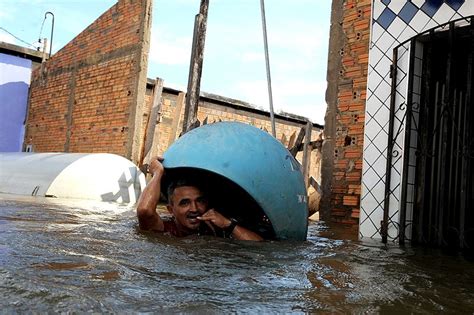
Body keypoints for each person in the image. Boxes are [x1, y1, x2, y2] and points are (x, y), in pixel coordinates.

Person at [136, 157, 263, 241]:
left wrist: (227, 224)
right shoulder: (164, 228)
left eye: (200, 201)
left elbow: (259, 245)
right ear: (171, 210)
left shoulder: (213, 225)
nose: (194, 208)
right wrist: (158, 172)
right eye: (185, 203)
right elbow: (144, 210)